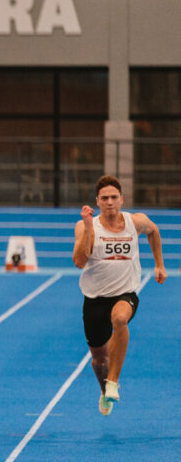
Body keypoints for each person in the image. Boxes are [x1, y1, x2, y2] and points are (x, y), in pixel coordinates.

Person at [72, 175, 167, 416]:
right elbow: (79, 262)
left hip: (125, 293)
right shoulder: (86, 226)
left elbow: (154, 231)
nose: (110, 202)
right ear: (98, 201)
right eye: (105, 198)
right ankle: (105, 389)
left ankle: (113, 381)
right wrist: (87, 229)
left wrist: (159, 264)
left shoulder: (135, 221)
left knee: (120, 320)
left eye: (114, 197)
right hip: (94, 298)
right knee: (98, 361)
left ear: (122, 199)